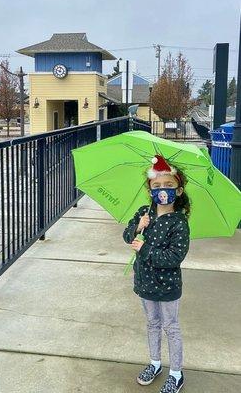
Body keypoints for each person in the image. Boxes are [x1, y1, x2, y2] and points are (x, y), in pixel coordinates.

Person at [123, 154, 191, 393]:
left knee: (170, 326)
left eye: (169, 186)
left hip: (168, 285)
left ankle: (176, 372)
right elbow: (127, 236)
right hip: (145, 282)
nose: (163, 190)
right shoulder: (145, 212)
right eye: (157, 186)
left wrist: (145, 248)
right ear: (150, 189)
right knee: (152, 323)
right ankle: (155, 363)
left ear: (179, 191)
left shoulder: (179, 222)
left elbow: (174, 257)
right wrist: (137, 227)